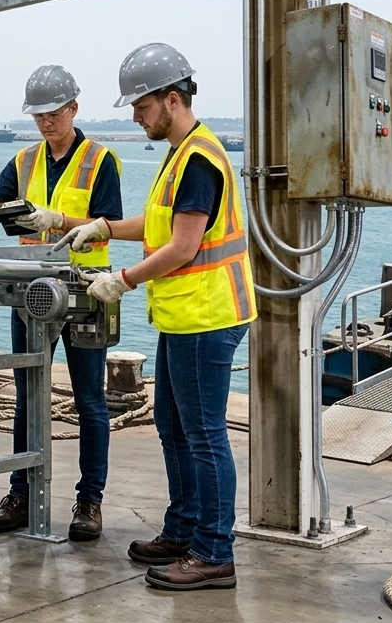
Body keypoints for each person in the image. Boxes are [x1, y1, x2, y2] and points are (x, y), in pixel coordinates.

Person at [55, 43, 256, 591]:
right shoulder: (183, 150)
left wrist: (123, 279)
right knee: (173, 427)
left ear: (172, 98)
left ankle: (214, 552)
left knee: (205, 435)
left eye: (140, 107)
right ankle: (184, 529)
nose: (136, 117)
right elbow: (159, 222)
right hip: (185, 317)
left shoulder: (197, 157)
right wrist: (98, 225)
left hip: (207, 316)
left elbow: (184, 247)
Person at [0, 65, 123, 542]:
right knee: (28, 394)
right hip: (29, 289)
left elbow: (110, 221)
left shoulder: (100, 159)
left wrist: (58, 219)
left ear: (73, 108)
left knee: (90, 400)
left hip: (84, 289)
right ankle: (22, 493)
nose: (46, 122)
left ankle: (90, 501)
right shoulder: (25, 159)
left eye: (53, 113)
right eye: (39, 115)